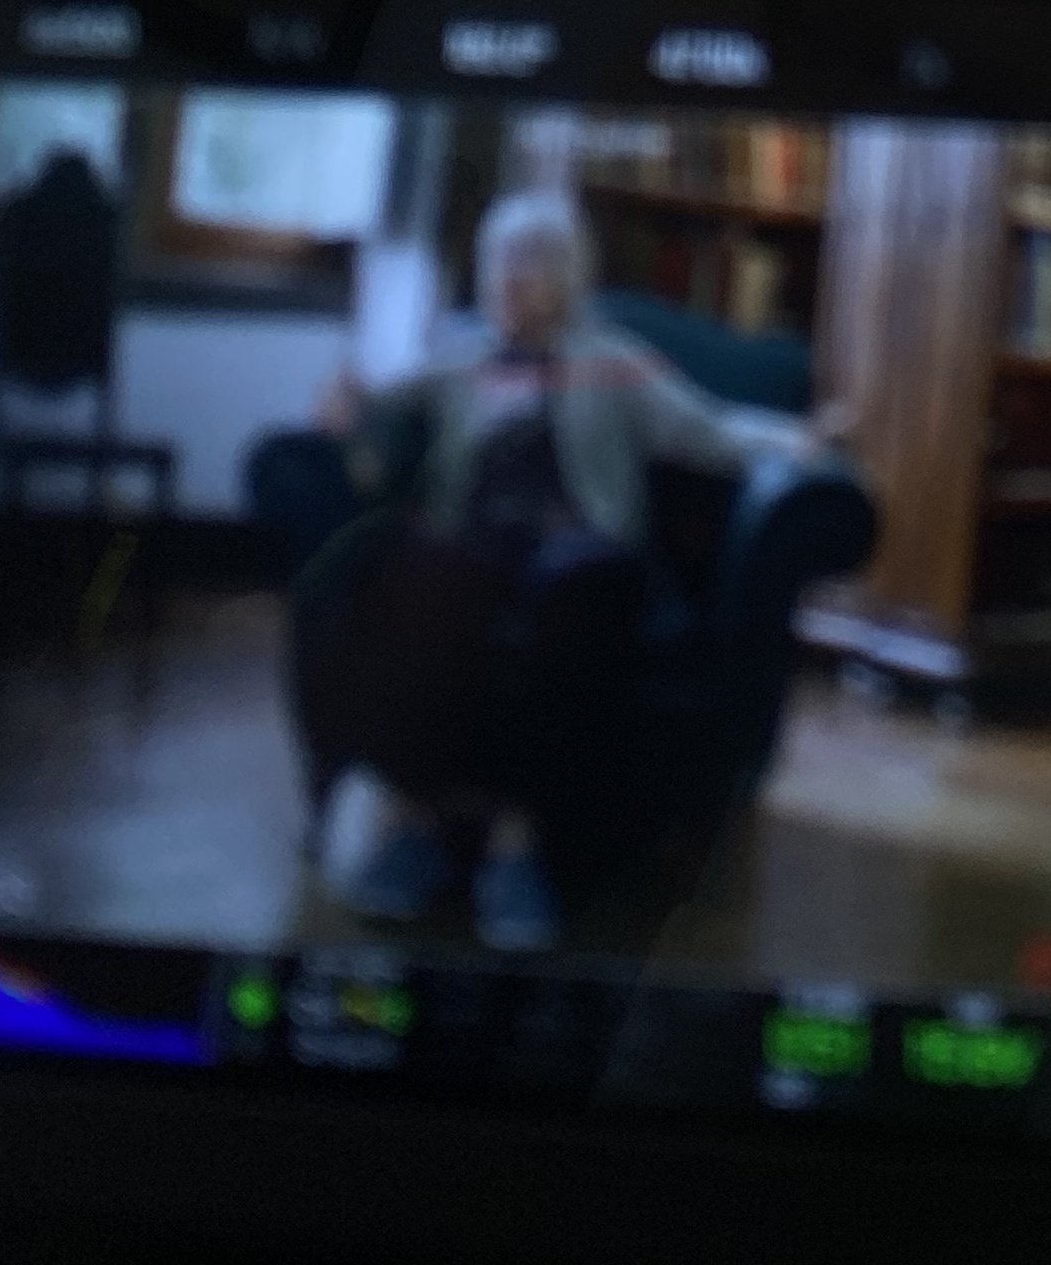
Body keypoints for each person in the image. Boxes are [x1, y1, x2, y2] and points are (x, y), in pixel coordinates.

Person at [308, 192, 829, 954]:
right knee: (432, 571)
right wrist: (349, 410)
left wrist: (800, 440)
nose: (510, 279)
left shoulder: (612, 361)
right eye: (499, 263)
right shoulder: (460, 358)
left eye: (531, 263)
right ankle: (417, 821)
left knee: (581, 586)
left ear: (570, 277)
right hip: (477, 547)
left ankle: (516, 846)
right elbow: (380, 410)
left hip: (576, 544)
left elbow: (709, 431)